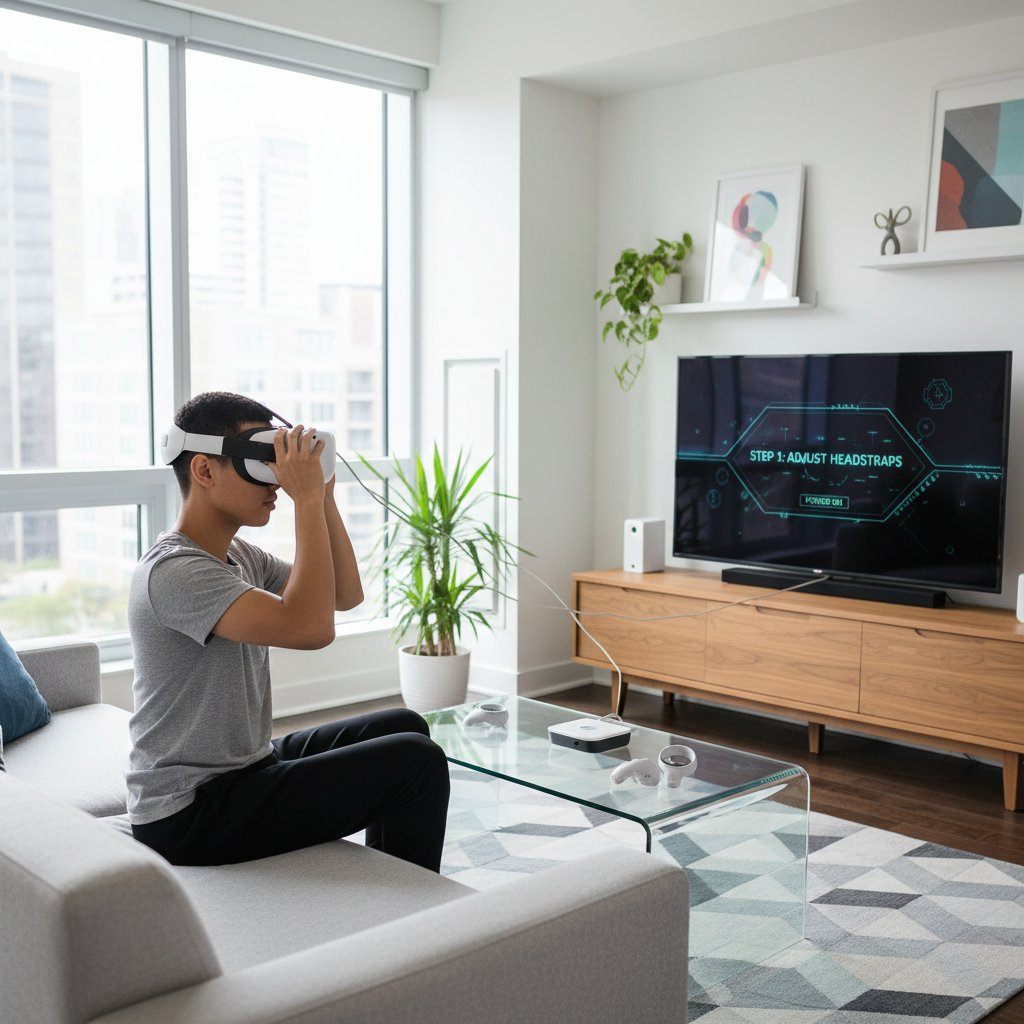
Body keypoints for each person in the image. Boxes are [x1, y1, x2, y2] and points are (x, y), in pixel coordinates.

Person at [126, 391, 450, 871]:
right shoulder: (174, 571)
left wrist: (321, 497)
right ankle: (415, 920)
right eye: (258, 459)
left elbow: (344, 595)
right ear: (204, 470)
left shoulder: (240, 556)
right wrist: (305, 502)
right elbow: (312, 628)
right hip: (189, 810)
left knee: (403, 726)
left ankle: (396, 879)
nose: (274, 480)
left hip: (246, 767)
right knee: (414, 761)